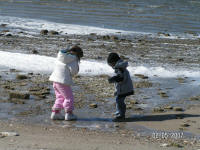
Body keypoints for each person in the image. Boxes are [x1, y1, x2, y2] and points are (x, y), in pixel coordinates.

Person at [49, 45, 83, 121]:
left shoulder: (61, 56)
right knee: (69, 97)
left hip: (55, 81)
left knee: (60, 97)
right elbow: (74, 72)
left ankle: (55, 113)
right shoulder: (73, 59)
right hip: (63, 81)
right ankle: (69, 114)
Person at [107, 52, 134, 122]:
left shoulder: (120, 68)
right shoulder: (120, 66)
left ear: (113, 62)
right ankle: (120, 114)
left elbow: (121, 79)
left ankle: (121, 115)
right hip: (124, 88)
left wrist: (113, 79)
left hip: (124, 89)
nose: (111, 66)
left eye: (110, 64)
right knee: (119, 100)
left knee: (119, 101)